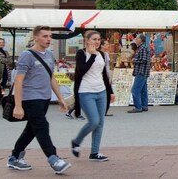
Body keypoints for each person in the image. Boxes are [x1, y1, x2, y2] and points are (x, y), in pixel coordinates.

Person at [7, 25, 71, 174]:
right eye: (45, 36)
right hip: (30, 98)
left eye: (50, 36)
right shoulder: (27, 55)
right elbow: (18, 80)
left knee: (31, 129)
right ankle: (54, 159)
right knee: (42, 126)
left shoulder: (49, 55)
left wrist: (61, 98)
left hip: (44, 98)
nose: (48, 39)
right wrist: (18, 105)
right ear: (35, 37)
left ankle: (14, 157)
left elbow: (52, 77)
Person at [70, 30, 114, 162]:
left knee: (100, 123)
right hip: (86, 91)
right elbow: (81, 70)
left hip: (101, 91)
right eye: (94, 39)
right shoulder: (81, 53)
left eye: (99, 39)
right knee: (93, 121)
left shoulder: (102, 54)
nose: (97, 42)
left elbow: (104, 74)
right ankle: (76, 142)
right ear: (87, 40)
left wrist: (110, 91)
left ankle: (95, 152)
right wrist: (93, 55)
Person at [128, 33, 150, 113]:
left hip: (141, 71)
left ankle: (138, 107)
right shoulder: (141, 48)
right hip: (143, 71)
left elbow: (143, 60)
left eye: (137, 39)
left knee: (135, 90)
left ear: (141, 40)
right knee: (143, 90)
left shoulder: (142, 48)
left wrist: (134, 60)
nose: (136, 40)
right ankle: (144, 106)